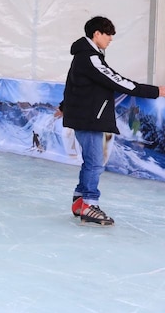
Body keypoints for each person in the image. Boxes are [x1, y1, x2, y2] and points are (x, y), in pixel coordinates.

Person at [59, 16, 165, 226]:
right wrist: (156, 91)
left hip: (87, 116)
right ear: (96, 34)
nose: (110, 39)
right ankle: (89, 204)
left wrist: (63, 106)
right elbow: (116, 80)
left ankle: (80, 201)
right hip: (89, 118)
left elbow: (73, 84)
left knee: (91, 161)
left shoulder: (86, 56)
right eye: (108, 34)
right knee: (95, 163)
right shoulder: (90, 57)